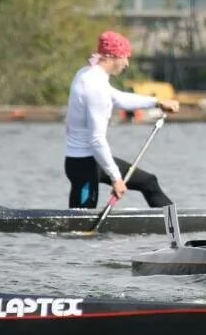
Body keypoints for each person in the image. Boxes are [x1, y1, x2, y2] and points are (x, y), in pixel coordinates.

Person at [64, 30, 179, 209]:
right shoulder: (95, 88)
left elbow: (119, 98)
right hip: (84, 166)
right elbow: (97, 139)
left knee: (148, 182)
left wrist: (157, 102)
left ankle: (174, 222)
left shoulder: (87, 74)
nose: (126, 63)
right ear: (111, 56)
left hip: (91, 161)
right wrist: (116, 179)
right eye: (124, 57)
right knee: (79, 228)